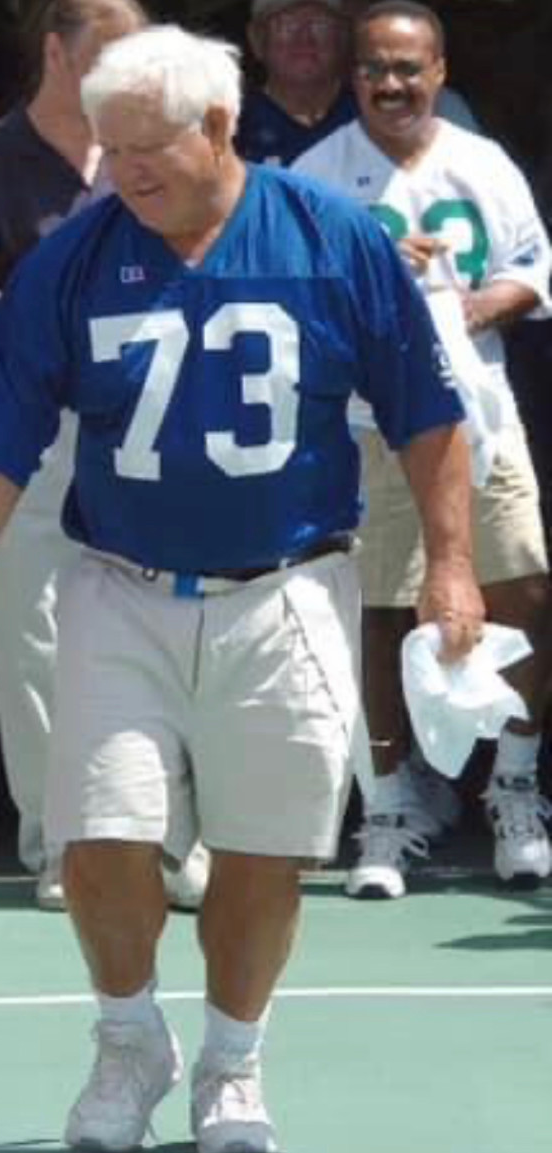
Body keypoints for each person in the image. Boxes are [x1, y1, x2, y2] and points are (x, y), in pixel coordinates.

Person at [0, 24, 483, 1153]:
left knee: (261, 847)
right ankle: (128, 1038)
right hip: (119, 582)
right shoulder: (73, 259)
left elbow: (428, 415)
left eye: (147, 147)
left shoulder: (333, 240)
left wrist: (449, 564)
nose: (124, 171)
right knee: (97, 833)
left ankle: (233, 1065)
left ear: (217, 125)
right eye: (108, 147)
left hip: (288, 585)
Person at [294, 0, 552, 898]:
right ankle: (391, 803)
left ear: (440, 71)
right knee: (376, 608)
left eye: (410, 68)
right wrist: (374, 281)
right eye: (376, 68)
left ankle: (515, 787)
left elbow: (531, 269)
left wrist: (468, 307)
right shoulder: (316, 177)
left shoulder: (483, 163)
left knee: (522, 589)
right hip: (368, 426)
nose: (393, 85)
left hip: (479, 414)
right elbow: (291, 303)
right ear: (351, 75)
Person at [0, 0, 150, 910]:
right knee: (35, 644)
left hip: (143, 427)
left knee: (154, 633)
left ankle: (156, 842)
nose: (126, 75)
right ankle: (60, 844)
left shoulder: (148, 153)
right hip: (24, 432)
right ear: (57, 53)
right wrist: (57, 300)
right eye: (109, 54)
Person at [236, 0, 477, 167]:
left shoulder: (400, 108)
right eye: (286, 25)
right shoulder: (227, 122)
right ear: (256, 40)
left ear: (344, 37)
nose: (304, 38)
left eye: (320, 25)